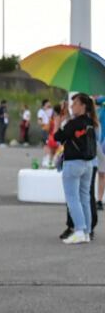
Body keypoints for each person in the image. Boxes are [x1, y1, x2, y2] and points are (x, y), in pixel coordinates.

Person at [55, 94, 98, 245]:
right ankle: (86, 232)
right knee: (85, 198)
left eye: (75, 104)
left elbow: (58, 137)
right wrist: (67, 118)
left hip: (73, 163)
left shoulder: (74, 123)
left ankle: (79, 230)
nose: (72, 106)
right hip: (88, 164)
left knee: (72, 198)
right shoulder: (90, 122)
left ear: (83, 106)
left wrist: (58, 121)